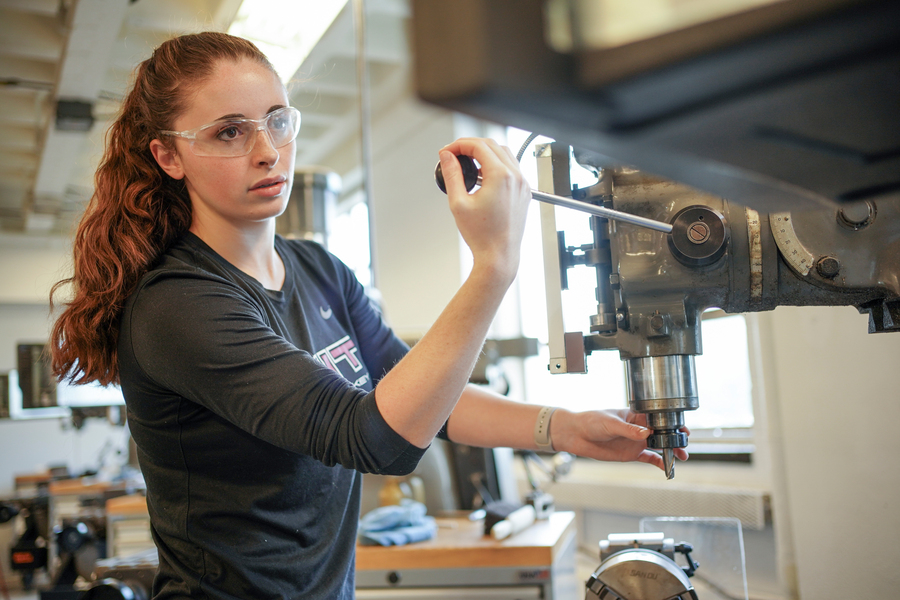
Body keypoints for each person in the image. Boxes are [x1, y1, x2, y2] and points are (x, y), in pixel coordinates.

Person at [49, 32, 687, 600]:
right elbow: (375, 438)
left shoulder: (318, 269)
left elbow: (428, 399)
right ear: (168, 157)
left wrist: (563, 428)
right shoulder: (178, 304)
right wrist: (493, 265)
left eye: (277, 120)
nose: (269, 151)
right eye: (229, 132)